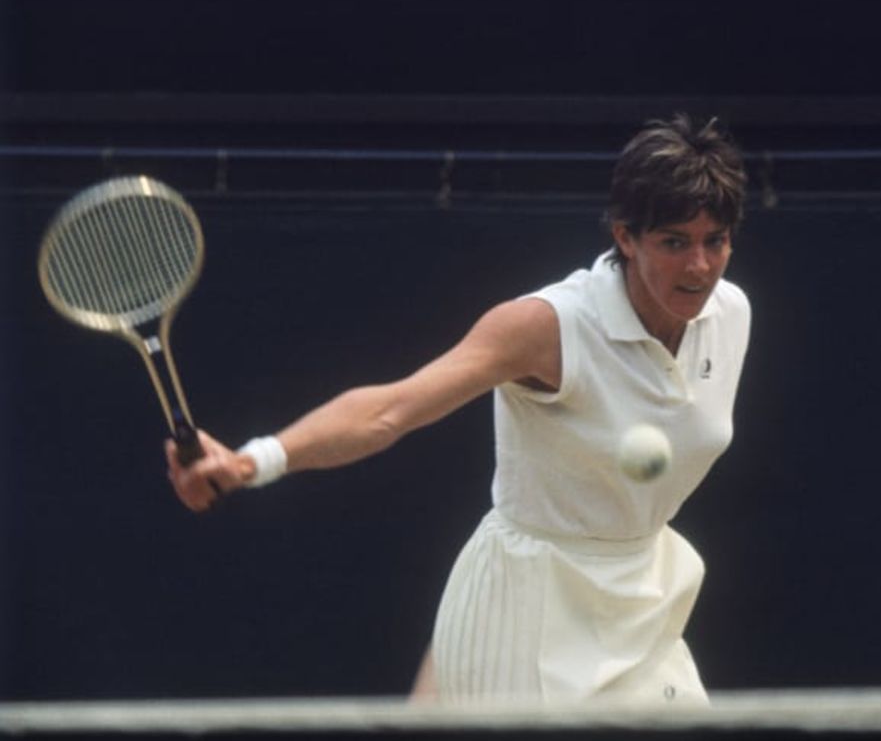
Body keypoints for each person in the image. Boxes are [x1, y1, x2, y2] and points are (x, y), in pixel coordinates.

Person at [166, 114, 752, 704]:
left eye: (715, 241)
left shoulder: (730, 314)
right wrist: (252, 462)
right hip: (530, 605)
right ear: (625, 237)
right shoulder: (547, 327)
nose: (699, 266)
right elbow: (391, 409)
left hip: (642, 599)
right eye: (674, 242)